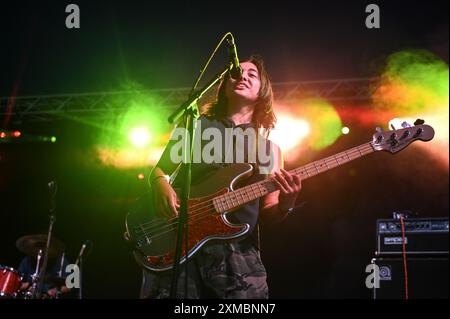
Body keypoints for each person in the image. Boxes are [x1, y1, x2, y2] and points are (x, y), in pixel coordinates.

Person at [141, 55, 302, 298]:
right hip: (180, 242)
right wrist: (159, 182)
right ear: (223, 85)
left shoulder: (270, 150)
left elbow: (268, 214)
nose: (242, 77)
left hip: (238, 253)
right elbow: (160, 169)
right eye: (236, 73)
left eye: (251, 74)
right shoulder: (195, 125)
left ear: (263, 91)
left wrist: (287, 203)